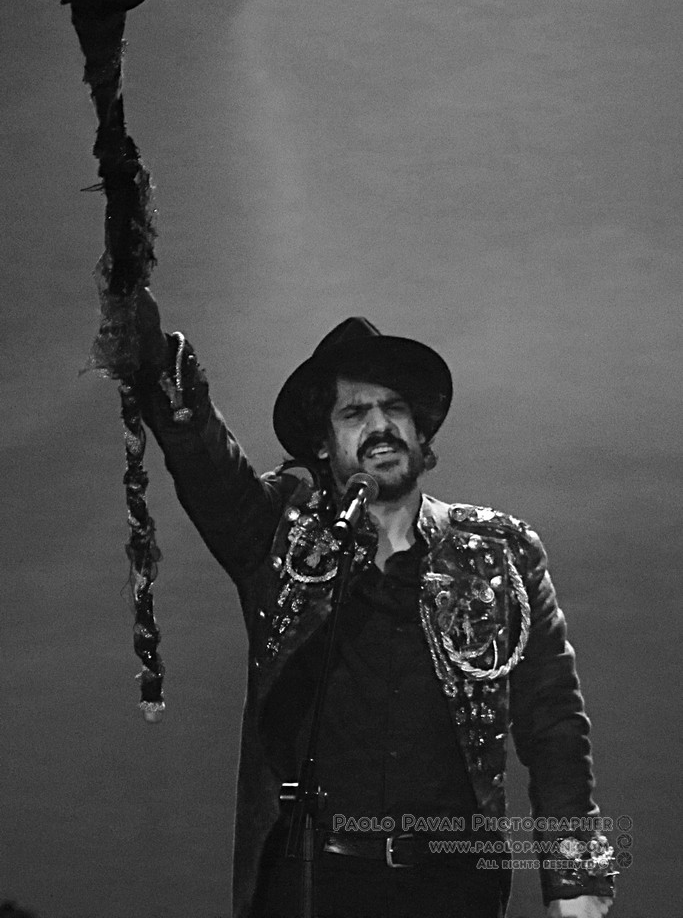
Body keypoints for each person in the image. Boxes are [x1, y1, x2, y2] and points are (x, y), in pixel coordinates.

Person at [132, 296, 617, 918]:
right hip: (311, 884)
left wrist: (576, 877)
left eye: (395, 408)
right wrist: (158, 363)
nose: (381, 426)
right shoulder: (280, 539)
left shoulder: (501, 552)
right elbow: (207, 466)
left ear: (421, 431)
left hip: (455, 888)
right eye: (355, 412)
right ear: (323, 442)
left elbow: (554, 723)